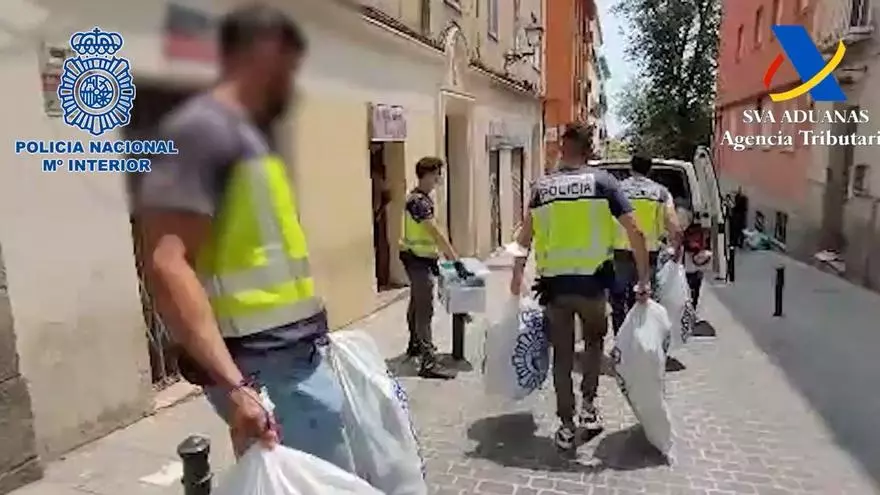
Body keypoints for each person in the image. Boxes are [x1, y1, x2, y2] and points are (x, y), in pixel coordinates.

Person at [135, 4, 355, 470]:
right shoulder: (201, 131)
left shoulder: (250, 137)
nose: (291, 84)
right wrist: (236, 387)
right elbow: (168, 263)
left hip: (290, 356)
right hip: (261, 367)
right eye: (287, 69)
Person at [509, 123, 652, 450]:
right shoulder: (604, 183)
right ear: (589, 150)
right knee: (593, 346)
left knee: (561, 354)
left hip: (554, 288)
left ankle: (565, 424)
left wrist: (516, 275)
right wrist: (643, 279)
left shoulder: (542, 188)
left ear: (562, 147)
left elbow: (523, 238)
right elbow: (637, 232)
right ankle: (589, 407)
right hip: (592, 285)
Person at [399, 156, 469, 379]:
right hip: (417, 260)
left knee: (416, 304)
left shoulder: (420, 198)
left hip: (418, 258)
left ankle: (415, 345)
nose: (440, 178)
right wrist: (455, 260)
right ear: (429, 174)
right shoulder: (419, 202)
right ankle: (428, 363)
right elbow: (436, 234)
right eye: (438, 173)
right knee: (424, 310)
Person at [609, 155, 682, 334]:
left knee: (618, 299)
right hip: (649, 254)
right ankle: (641, 336)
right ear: (649, 170)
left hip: (619, 252)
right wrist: (676, 248)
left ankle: (621, 337)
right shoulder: (661, 193)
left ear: (630, 168)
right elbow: (674, 226)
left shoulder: (617, 190)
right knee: (643, 298)